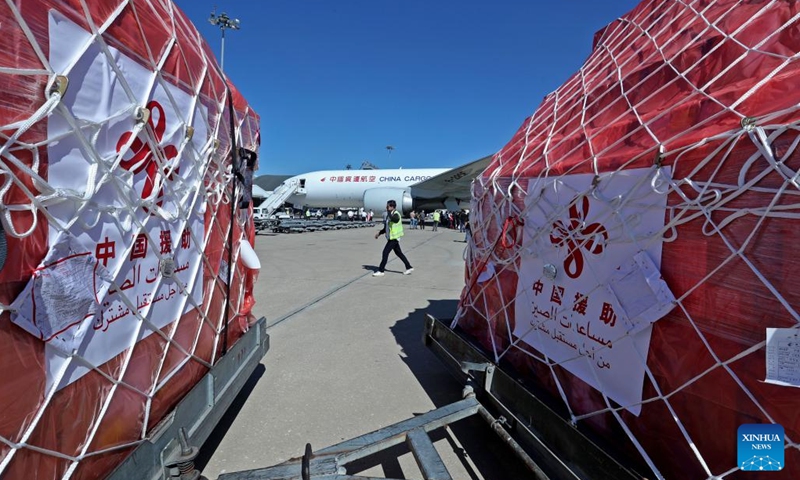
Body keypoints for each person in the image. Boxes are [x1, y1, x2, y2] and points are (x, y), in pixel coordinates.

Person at [372, 200, 413, 277]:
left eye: (388, 206)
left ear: (392, 207)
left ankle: (381, 270)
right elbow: (386, 227)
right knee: (399, 253)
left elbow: (395, 219)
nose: (386, 207)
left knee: (385, 253)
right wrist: (379, 233)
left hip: (394, 238)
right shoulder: (389, 215)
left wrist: (388, 213)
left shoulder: (396, 214)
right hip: (392, 238)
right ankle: (409, 267)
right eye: (386, 206)